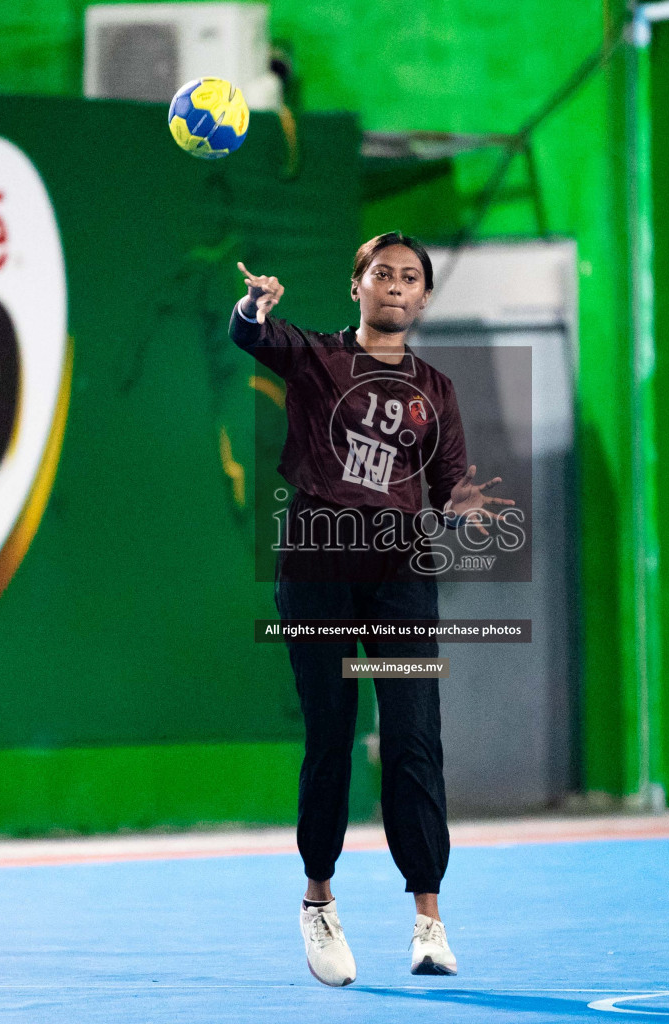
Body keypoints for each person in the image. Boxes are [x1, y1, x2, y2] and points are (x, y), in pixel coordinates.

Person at [231, 232, 513, 986]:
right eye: (380, 272)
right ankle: (319, 899)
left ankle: (429, 921)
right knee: (331, 731)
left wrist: (464, 506)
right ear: (356, 286)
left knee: (415, 734)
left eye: (409, 276)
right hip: (319, 559)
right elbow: (251, 334)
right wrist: (254, 306)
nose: (395, 283)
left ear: (422, 299)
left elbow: (450, 479)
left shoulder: (437, 389)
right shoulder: (315, 356)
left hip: (399, 570)